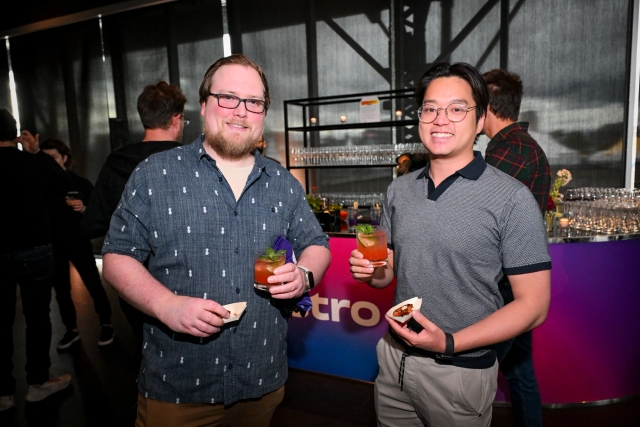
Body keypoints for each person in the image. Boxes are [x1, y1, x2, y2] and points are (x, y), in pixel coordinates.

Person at [102, 54, 331, 426]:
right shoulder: (154, 174)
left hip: (262, 381)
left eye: (254, 102)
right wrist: (167, 306)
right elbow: (116, 257)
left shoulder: (283, 182)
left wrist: (305, 274)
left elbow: (317, 243)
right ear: (205, 104)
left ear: (263, 113)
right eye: (228, 97)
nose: (241, 111)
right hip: (178, 387)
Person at [349, 62, 551, 427]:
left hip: (459, 372)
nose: (440, 119)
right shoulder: (400, 189)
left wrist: (450, 343)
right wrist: (371, 272)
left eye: (457, 109)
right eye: (430, 108)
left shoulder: (511, 199)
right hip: (394, 359)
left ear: (479, 120)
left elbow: (534, 306)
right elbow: (388, 273)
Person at [81, 81, 187, 344]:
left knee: (144, 348)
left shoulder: (116, 162)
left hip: (132, 280)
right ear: (176, 119)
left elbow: (94, 222)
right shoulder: (191, 163)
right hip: (183, 277)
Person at [482, 68, 551, 427]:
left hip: (503, 285)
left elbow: (476, 212)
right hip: (516, 280)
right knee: (520, 373)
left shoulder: (510, 151)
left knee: (475, 376)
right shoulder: (521, 147)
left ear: (488, 106)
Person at [0, 109, 72, 410]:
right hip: (34, 251)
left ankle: (3, 393)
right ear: (16, 132)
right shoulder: (33, 162)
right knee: (38, 319)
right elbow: (61, 183)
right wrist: (35, 152)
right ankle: (38, 382)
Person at [35, 137, 114, 349]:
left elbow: (97, 214)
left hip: (78, 241)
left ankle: (106, 324)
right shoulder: (40, 187)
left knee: (93, 284)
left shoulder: (79, 183)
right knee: (61, 290)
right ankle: (71, 330)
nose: (49, 163)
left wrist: (84, 209)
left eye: (53, 158)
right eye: (46, 159)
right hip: (54, 244)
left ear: (65, 158)